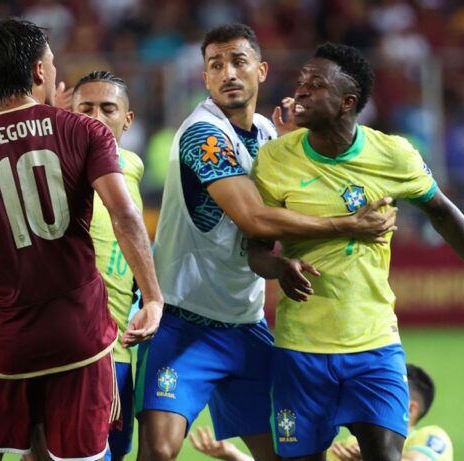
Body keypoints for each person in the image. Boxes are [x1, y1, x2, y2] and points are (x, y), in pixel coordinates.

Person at [136, 23, 396, 461]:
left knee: (283, 454)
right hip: (185, 321)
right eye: (215, 65)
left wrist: (293, 145)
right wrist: (348, 224)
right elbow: (253, 217)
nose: (227, 73)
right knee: (159, 451)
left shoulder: (267, 134)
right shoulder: (203, 134)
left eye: (238, 61)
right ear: (205, 78)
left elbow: (269, 226)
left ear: (261, 70)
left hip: (246, 323)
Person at [250, 42, 464, 461]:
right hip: (301, 350)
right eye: (301, 82)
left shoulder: (393, 154)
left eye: (315, 84)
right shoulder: (274, 159)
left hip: (373, 346)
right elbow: (255, 252)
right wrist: (279, 266)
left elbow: (443, 213)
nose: (300, 91)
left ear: (347, 102)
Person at [0, 18, 164, 461]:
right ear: (39, 71)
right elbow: (125, 215)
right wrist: (151, 297)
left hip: (7, 338)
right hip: (80, 334)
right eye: (52, 62)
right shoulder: (85, 131)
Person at [71, 70, 144, 461]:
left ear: (127, 119)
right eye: (85, 108)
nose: (96, 118)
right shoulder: (61, 172)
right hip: (80, 350)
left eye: (107, 108)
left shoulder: (131, 166)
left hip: (121, 348)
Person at [190, 364, 454, 461]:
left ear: (411, 408)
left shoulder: (431, 437)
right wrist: (233, 455)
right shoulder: (349, 443)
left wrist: (371, 456)